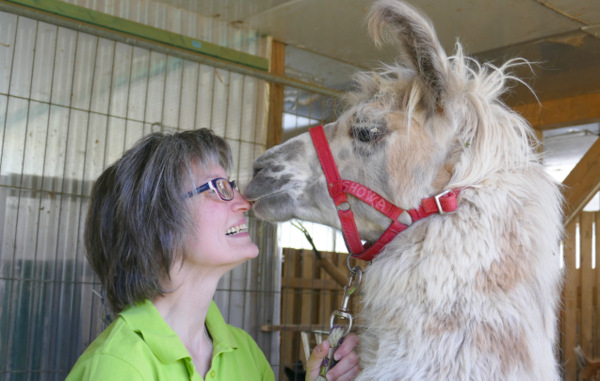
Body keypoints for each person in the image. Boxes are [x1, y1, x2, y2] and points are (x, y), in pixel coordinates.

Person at [67, 128, 359, 380]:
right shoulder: (118, 367)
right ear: (156, 225)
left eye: (230, 185)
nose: (244, 201)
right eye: (218, 188)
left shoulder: (245, 352)